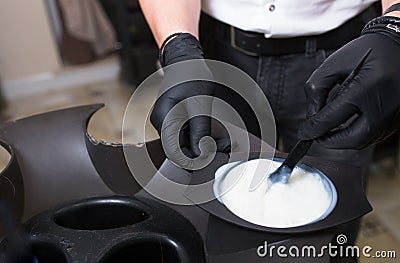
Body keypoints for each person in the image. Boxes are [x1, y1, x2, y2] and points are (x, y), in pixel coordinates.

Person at [139, 0, 400, 262]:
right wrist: (179, 50)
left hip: (344, 54)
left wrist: (395, 27)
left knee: (334, 227)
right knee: (219, 218)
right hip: (216, 53)